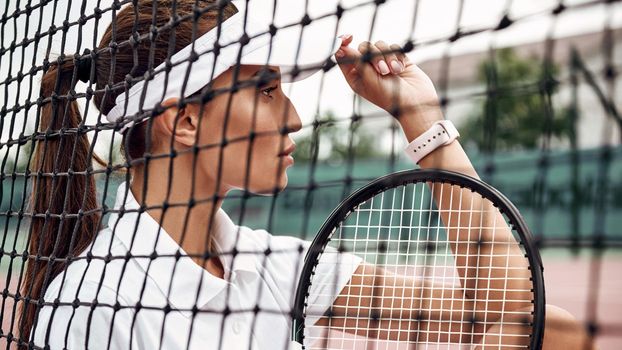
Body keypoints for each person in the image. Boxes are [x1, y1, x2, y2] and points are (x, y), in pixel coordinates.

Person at [17, 0, 594, 349]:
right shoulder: (92, 306)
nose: (293, 117)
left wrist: (422, 117)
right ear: (184, 121)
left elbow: (521, 314)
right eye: (266, 92)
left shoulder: (277, 266)